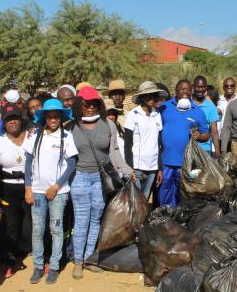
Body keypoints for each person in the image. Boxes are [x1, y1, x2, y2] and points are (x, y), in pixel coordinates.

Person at [69, 87, 135, 279]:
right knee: (82, 220)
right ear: (79, 105)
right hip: (80, 177)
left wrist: (126, 170)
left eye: (94, 104)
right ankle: (78, 262)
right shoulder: (71, 126)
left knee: (96, 218)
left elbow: (114, 152)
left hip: (102, 178)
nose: (90, 107)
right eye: (86, 104)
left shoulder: (108, 124)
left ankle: (90, 258)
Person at [24, 98, 77, 285]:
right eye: (50, 116)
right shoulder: (35, 135)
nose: (53, 119)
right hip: (37, 192)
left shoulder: (66, 137)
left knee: (56, 228)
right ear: (44, 117)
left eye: (56, 116)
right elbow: (28, 162)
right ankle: (38, 266)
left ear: (61, 117)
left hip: (58, 192)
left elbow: (71, 164)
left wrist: (56, 186)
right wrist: (28, 188)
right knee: (37, 229)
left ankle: (53, 266)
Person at [0, 105, 31, 279]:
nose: (13, 122)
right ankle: (11, 261)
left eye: (15, 118)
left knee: (30, 223)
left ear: (21, 120)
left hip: (30, 186)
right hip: (8, 187)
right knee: (11, 224)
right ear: (3, 123)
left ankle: (31, 254)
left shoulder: (32, 136)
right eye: (8, 119)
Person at [158, 80, 210, 207]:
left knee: (182, 193)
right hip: (165, 161)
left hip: (186, 163)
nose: (185, 92)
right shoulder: (164, 107)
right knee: (164, 192)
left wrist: (199, 136)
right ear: (175, 91)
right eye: (182, 89)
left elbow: (206, 134)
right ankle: (164, 217)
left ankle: (179, 219)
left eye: (188, 89)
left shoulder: (197, 111)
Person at [124, 82, 166, 199]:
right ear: (142, 97)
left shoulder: (156, 115)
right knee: (136, 198)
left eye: (154, 95)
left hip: (153, 166)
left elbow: (159, 144)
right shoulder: (134, 115)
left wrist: (160, 169)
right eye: (149, 95)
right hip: (137, 166)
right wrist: (129, 167)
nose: (152, 98)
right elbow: (128, 144)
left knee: (145, 198)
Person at [193, 76, 221, 156]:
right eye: (197, 87)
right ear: (193, 87)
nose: (200, 89)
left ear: (206, 88)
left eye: (202, 87)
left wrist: (218, 154)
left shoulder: (211, 106)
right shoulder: (188, 104)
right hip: (187, 147)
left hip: (204, 149)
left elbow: (214, 132)